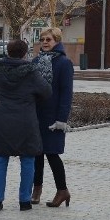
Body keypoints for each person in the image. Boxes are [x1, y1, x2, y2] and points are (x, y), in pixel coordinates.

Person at [0, 39, 51, 211]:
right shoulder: (31, 71)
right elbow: (46, 91)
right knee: (28, 159)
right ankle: (24, 201)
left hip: (3, 120)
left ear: (8, 51)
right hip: (26, 120)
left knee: (0, 158)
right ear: (25, 53)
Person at [32, 27, 74, 208]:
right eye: (42, 39)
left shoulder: (64, 63)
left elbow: (66, 93)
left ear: (57, 40)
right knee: (36, 155)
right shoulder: (36, 61)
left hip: (53, 117)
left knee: (52, 154)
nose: (45, 42)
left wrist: (61, 119)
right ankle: (37, 189)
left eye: (48, 39)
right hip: (35, 114)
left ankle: (62, 190)